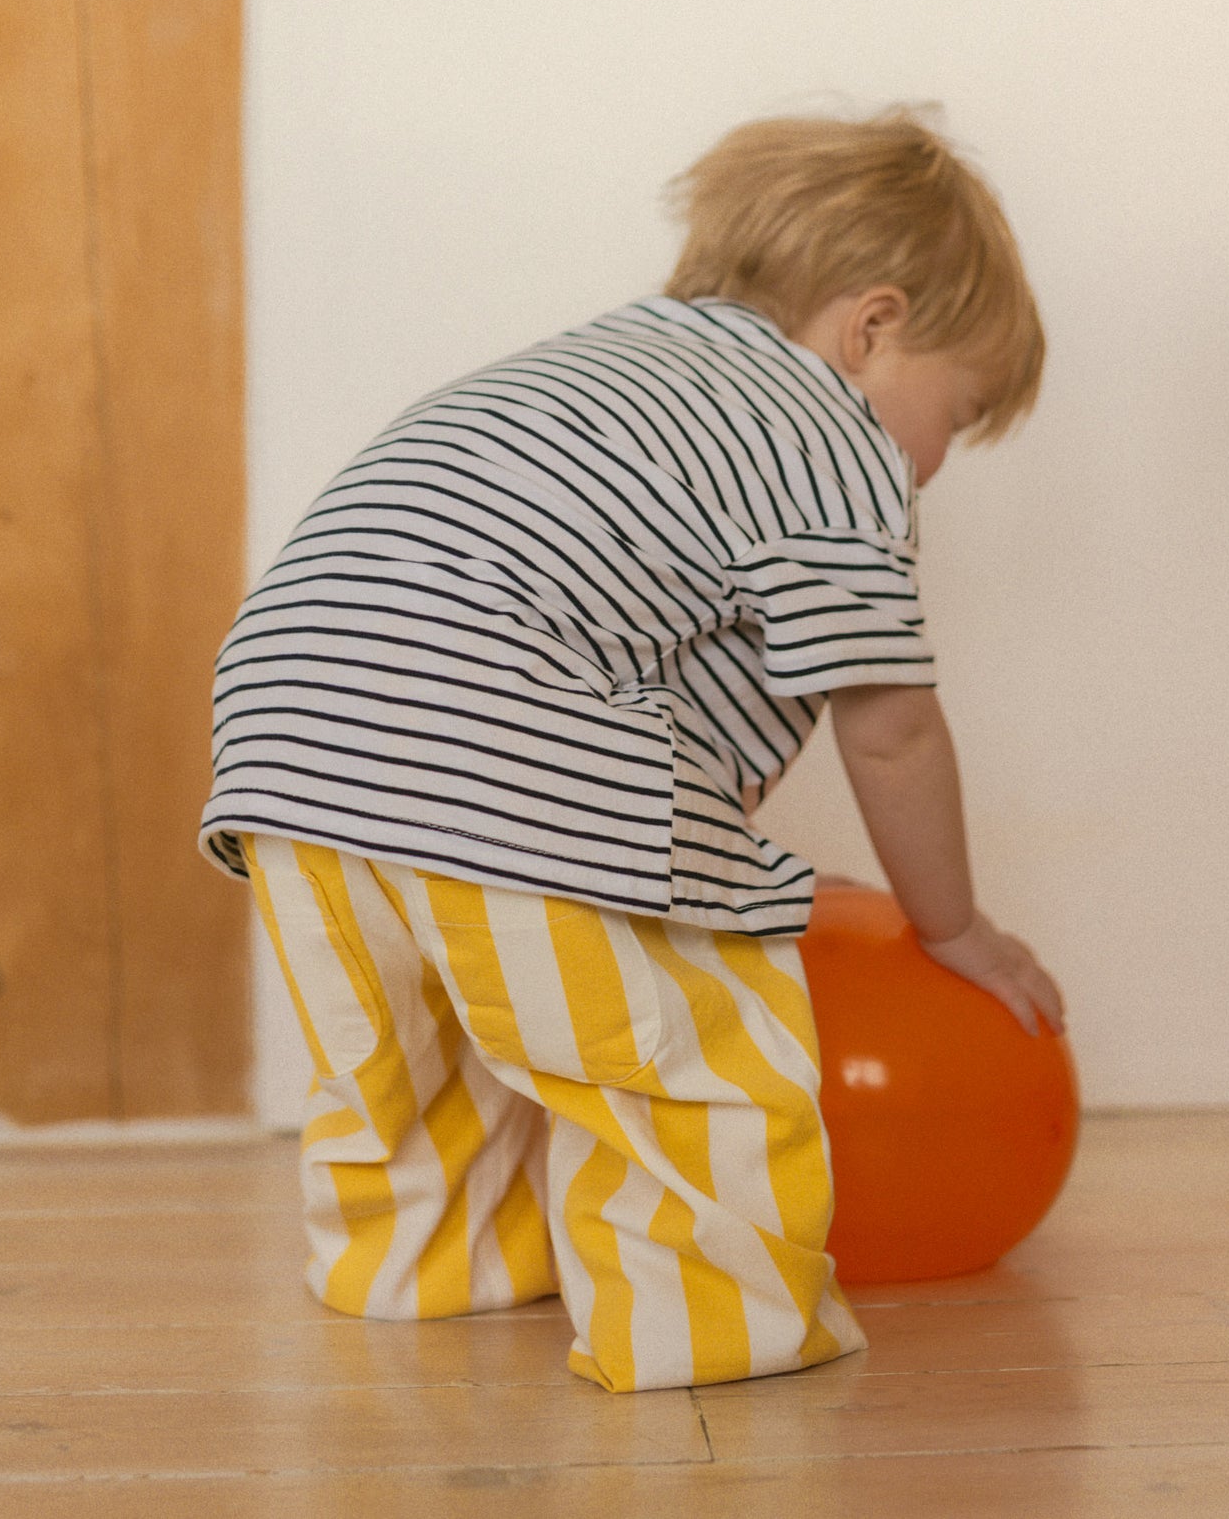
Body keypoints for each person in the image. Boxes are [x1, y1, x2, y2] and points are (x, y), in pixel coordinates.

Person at [199, 109, 1065, 1393]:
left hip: (290, 739)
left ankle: (427, 1275)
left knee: (412, 1071)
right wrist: (952, 928)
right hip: (499, 750)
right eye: (962, 409)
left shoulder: (603, 367)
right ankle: (711, 1333)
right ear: (868, 327)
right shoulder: (828, 438)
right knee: (682, 1062)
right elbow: (888, 727)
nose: (936, 461)